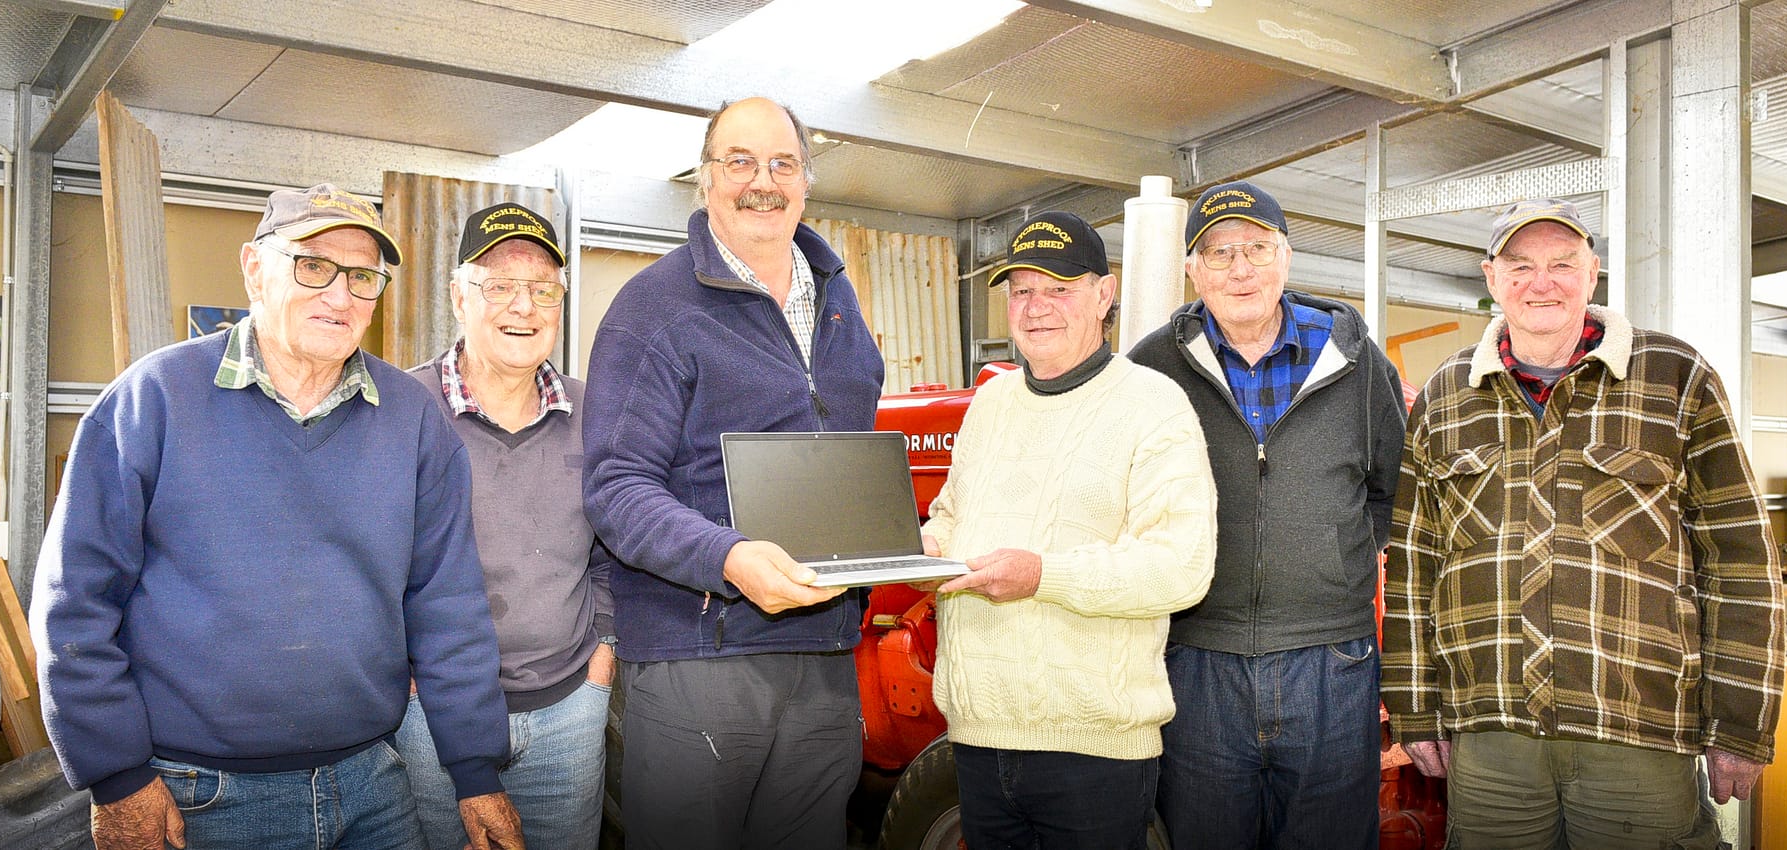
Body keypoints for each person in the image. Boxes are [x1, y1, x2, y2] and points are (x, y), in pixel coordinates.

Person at [30, 183, 522, 850]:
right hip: (197, 794)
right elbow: (74, 605)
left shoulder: (412, 420)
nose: (341, 295)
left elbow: (449, 606)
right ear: (255, 269)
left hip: (375, 782)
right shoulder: (154, 400)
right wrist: (114, 776)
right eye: (313, 266)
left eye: (363, 276)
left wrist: (475, 771)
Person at [1382, 199, 1784, 848]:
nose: (1542, 282)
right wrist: (1413, 707)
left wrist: (1740, 721)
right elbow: (1412, 563)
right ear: (1492, 279)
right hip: (1493, 735)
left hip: (1638, 729)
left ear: (1592, 272)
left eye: (1562, 264)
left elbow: (1740, 558)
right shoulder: (1447, 394)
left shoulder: (1676, 378)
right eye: (1520, 266)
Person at [581, 97, 885, 850]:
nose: (762, 181)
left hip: (824, 654)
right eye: (740, 161)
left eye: (783, 163)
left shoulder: (842, 305)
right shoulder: (652, 309)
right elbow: (616, 488)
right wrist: (729, 557)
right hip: (702, 656)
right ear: (707, 179)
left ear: (807, 182)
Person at [921, 211, 1216, 849]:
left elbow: (1182, 565)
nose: (1036, 307)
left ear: (1103, 294)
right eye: (1021, 290)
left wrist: (1042, 577)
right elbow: (950, 514)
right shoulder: (990, 405)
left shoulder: (1153, 403)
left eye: (1059, 288)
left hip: (1092, 751)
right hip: (977, 736)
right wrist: (921, 550)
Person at [1127, 178, 1405, 849]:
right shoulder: (1152, 366)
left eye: (1257, 247)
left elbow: (1394, 488)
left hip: (1331, 663)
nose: (1241, 268)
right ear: (1191, 269)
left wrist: (1333, 561)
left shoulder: (1356, 361)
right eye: (1218, 253)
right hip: (1197, 662)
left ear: (1286, 257)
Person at [393, 202, 613, 850]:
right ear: (460, 297)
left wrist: (603, 656)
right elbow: (364, 557)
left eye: (542, 289)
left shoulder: (594, 411)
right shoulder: (403, 410)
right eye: (499, 286)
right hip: (429, 715)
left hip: (569, 711)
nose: (524, 306)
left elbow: (614, 547)